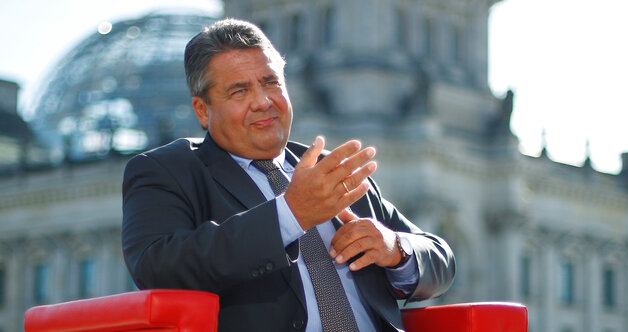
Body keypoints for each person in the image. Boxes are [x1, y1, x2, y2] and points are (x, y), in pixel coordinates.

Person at [121, 18, 455, 332]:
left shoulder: (332, 169)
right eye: (239, 91)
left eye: (271, 83)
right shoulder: (167, 171)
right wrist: (290, 214)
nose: (263, 101)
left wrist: (395, 248)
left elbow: (442, 263)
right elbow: (157, 266)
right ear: (202, 110)